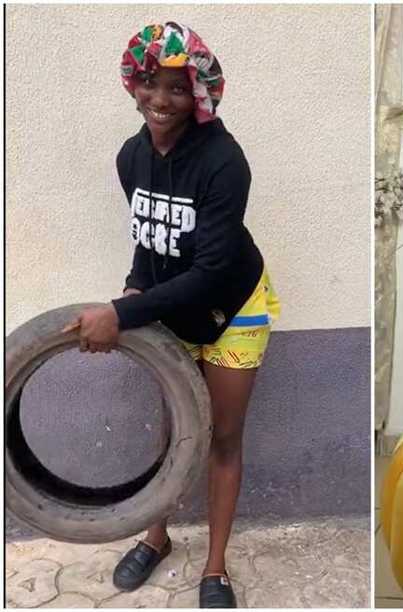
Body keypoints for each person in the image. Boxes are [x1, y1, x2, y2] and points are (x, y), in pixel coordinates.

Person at [63, 22, 278, 608]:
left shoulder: (223, 162)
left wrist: (121, 314)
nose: (161, 100)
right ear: (134, 83)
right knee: (174, 430)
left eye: (178, 89)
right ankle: (157, 538)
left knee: (223, 438)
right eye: (151, 84)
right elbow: (147, 234)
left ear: (200, 95)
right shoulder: (132, 156)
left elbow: (210, 271)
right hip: (173, 305)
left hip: (234, 306)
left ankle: (215, 568)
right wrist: (134, 286)